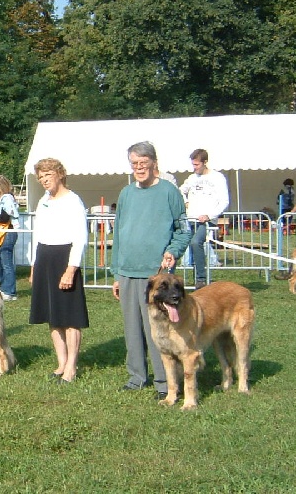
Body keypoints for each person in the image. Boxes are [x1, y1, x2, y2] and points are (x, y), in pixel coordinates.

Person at [111, 141, 191, 399]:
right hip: (128, 273)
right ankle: (136, 377)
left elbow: (183, 230)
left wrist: (173, 251)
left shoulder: (170, 192)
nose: (139, 168)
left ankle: (163, 382)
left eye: (143, 163)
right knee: (132, 329)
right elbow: (119, 235)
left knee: (157, 330)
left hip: (157, 276)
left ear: (154, 163)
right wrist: (116, 273)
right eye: (134, 164)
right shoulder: (125, 194)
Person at [29, 159, 88, 384]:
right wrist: (34, 266)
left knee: (69, 316)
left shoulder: (73, 201)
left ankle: (71, 366)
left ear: (60, 174)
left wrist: (71, 270)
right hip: (44, 257)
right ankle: (61, 363)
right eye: (41, 178)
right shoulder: (43, 201)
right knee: (52, 315)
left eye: (48, 176)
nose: (45, 181)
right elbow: (37, 235)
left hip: (65, 258)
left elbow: (80, 238)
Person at [179, 149, 229, 289]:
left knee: (196, 243)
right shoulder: (192, 178)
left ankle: (201, 278)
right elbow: (180, 190)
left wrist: (209, 215)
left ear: (205, 162)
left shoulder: (217, 178)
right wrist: (186, 201)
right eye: (193, 165)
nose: (194, 168)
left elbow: (224, 201)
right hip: (191, 218)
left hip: (206, 221)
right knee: (188, 245)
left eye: (197, 165)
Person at [0, 175, 20, 301]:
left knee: (7, 263)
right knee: (3, 260)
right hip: (5, 232)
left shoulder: (7, 200)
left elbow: (4, 217)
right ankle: (5, 287)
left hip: (7, 233)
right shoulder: (7, 199)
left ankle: (9, 291)